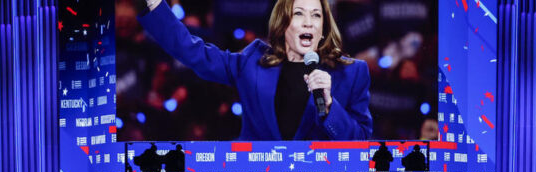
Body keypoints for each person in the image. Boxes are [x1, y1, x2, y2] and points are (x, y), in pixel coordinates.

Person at [134, 0, 372, 140]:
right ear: (283, 23)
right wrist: (154, 6)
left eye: (316, 15)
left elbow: (361, 144)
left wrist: (330, 107)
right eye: (299, 13)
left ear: (324, 28)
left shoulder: (352, 73)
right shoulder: (252, 62)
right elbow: (194, 53)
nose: (309, 22)